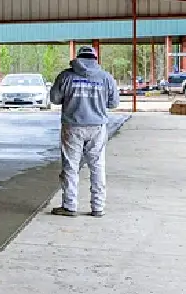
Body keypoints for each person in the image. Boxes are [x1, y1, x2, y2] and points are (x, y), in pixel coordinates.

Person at [49, 45, 119, 217]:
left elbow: (54, 98)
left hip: (72, 127)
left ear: (78, 58)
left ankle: (70, 205)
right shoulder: (106, 77)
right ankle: (98, 207)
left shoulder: (66, 76)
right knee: (97, 167)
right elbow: (113, 103)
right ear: (95, 58)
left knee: (70, 167)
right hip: (97, 127)